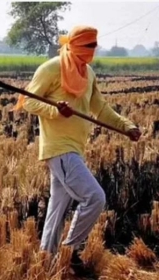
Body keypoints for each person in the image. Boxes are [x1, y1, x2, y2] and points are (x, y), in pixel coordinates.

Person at [19, 25, 141, 276]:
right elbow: (29, 100)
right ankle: (69, 250)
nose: (92, 51)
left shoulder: (88, 73)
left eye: (94, 46)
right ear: (75, 45)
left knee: (57, 208)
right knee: (95, 197)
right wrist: (55, 109)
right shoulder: (52, 68)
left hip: (75, 148)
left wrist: (126, 126)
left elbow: (101, 108)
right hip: (59, 148)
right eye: (88, 46)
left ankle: (47, 259)